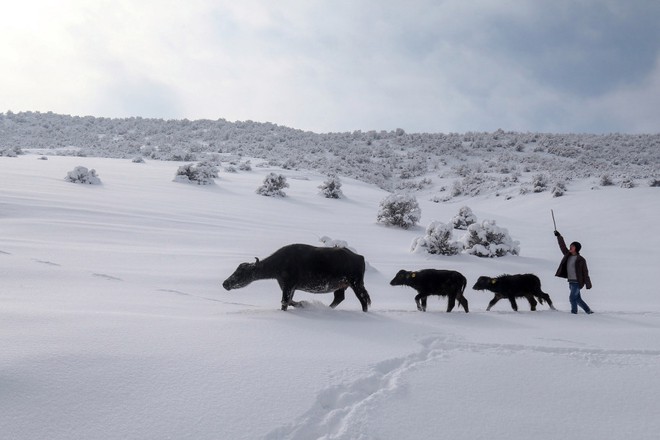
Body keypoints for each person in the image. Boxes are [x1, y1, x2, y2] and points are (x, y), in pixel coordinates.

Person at [554, 230, 593, 314]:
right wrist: (559, 236)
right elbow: (562, 246)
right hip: (571, 282)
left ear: (576, 248)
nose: (570, 247)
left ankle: (574, 313)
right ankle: (588, 311)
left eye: (572, 246)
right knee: (578, 299)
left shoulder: (581, 259)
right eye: (570, 246)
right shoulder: (567, 255)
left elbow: (585, 272)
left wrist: (588, 283)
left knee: (572, 298)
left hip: (577, 283)